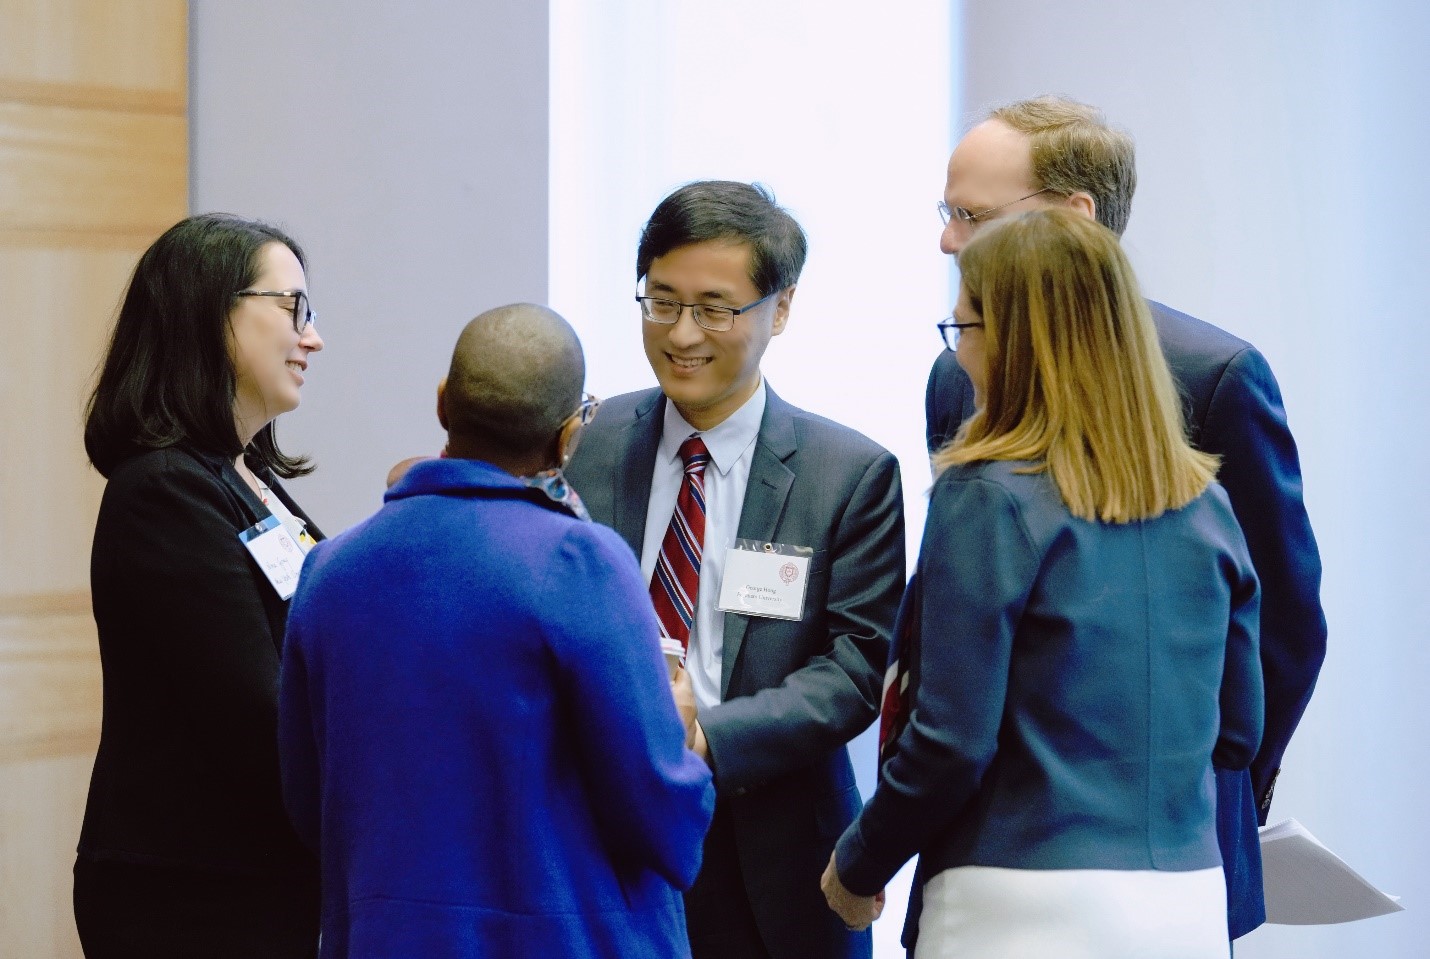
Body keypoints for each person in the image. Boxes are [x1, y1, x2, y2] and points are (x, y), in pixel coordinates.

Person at [923, 95, 1325, 940]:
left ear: (1076, 217)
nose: (949, 240)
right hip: (991, 845)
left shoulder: (1215, 377)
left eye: (974, 216)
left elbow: (1282, 626)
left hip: (1170, 846)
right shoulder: (958, 370)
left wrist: (1212, 786)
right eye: (946, 213)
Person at [825, 208, 1264, 958]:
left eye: (963, 329)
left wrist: (858, 860)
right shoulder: (1209, 507)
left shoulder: (986, 496)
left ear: (1018, 342)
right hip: (1187, 903)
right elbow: (1238, 732)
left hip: (1017, 901)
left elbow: (950, 743)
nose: (958, 356)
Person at [277, 304, 715, 959]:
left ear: (442, 404)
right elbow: (661, 822)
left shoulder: (330, 570)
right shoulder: (583, 563)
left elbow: (310, 803)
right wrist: (685, 739)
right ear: (569, 435)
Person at [564, 181, 906, 959]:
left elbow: (854, 671)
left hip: (770, 855)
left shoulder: (846, 474)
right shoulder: (584, 440)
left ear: (779, 310)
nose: (683, 333)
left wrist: (699, 738)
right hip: (597, 839)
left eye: (715, 308)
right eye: (662, 301)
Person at [76, 213, 326, 957]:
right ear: (207, 313)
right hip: (193, 892)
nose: (313, 338)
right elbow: (257, 710)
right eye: (294, 309)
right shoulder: (163, 490)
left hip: (264, 875)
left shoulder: (248, 478)